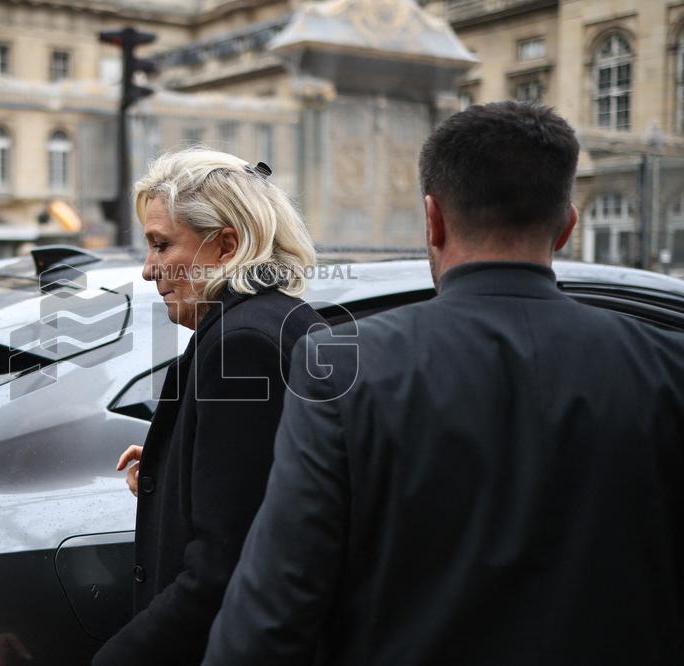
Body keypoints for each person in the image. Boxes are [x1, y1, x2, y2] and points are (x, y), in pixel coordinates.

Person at [203, 102, 684, 665]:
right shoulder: (666, 364)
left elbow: (272, 610)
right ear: (567, 226)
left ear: (432, 219)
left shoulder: (344, 364)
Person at [92, 149, 326, 666]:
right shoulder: (277, 320)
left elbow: (226, 562)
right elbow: (267, 488)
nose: (150, 270)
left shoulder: (241, 344)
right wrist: (169, 465)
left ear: (226, 245)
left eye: (161, 244)